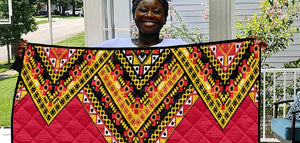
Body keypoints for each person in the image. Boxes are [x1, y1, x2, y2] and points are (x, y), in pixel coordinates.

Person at [12, 0, 267, 70]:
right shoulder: (112, 46)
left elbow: (214, 69)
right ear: (134, 14)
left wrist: (249, 53)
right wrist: (28, 57)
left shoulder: (179, 47)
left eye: (157, 11)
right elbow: (71, 65)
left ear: (164, 18)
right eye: (143, 9)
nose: (149, 15)